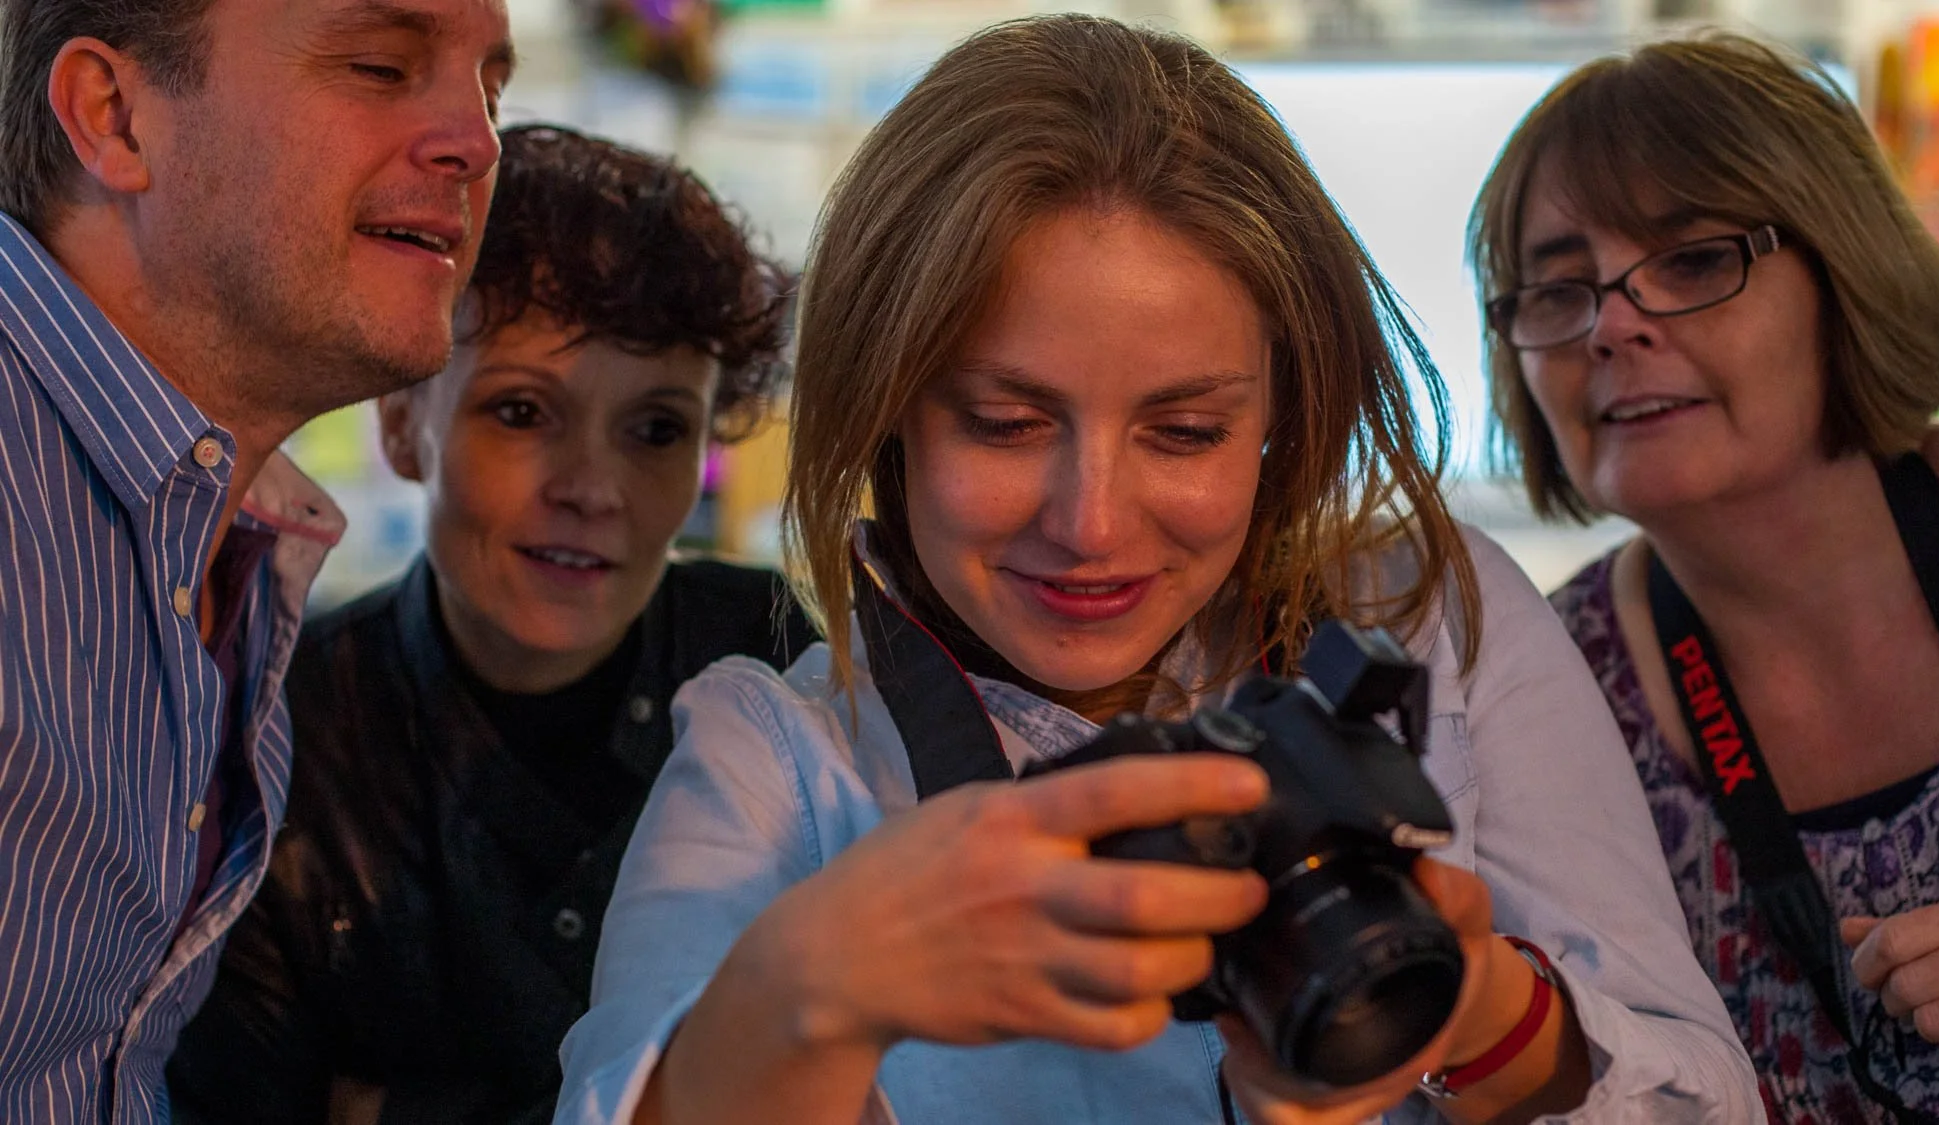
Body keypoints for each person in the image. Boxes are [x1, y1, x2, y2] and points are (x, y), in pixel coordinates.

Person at [554, 15, 1758, 1125]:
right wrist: (810, 993)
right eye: (1004, 423)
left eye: (1184, 432)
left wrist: (1473, 1013)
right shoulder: (775, 766)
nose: (1090, 523)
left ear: (1284, 412)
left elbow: (1708, 1104)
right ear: (886, 414)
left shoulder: (1425, 614)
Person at [164, 123, 816, 1124]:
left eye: (655, 429)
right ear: (400, 425)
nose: (591, 488)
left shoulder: (779, 665)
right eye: (521, 413)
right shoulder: (271, 739)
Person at [1469, 32, 1939, 1123]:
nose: (1612, 326)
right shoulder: (1544, 686)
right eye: (1558, 290)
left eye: (1695, 260)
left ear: (1845, 272)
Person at [0, 0, 511, 1119]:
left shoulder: (225, 533)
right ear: (113, 114)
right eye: (380, 65)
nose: (476, 144)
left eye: (491, 89)